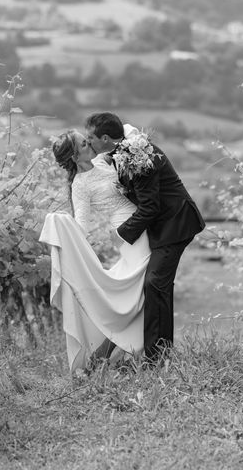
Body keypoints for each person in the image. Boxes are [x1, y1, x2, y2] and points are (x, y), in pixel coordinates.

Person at [85, 112, 205, 364]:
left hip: (176, 223)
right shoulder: (122, 151)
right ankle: (157, 355)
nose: (89, 142)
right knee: (155, 285)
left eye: (91, 138)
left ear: (105, 138)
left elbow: (150, 207)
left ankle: (156, 359)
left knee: (155, 284)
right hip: (162, 224)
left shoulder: (137, 156)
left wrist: (120, 234)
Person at [39, 129, 151, 373]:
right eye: (82, 143)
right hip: (128, 233)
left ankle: (110, 354)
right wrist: (62, 225)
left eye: (86, 139)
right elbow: (81, 227)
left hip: (140, 223)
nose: (89, 143)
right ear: (74, 157)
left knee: (140, 292)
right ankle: (107, 354)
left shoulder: (103, 160)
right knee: (138, 291)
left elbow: (128, 131)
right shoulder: (80, 185)